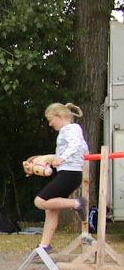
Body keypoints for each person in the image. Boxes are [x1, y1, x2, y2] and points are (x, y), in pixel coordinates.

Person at [32, 102, 89, 254]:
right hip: (67, 173)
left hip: (70, 174)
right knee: (51, 209)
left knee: (40, 201)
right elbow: (83, 149)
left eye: (51, 120)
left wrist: (63, 157)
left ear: (60, 116)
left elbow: (75, 144)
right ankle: (44, 246)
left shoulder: (71, 128)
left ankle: (77, 203)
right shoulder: (69, 130)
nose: (50, 124)